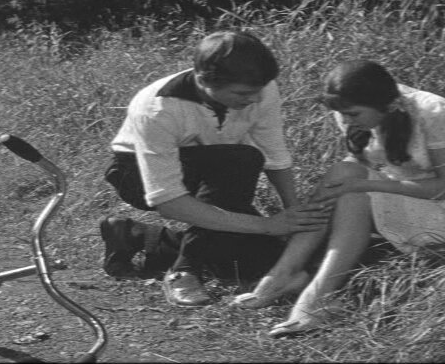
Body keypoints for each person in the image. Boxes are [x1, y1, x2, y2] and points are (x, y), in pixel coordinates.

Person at [231, 59, 445, 336]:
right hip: (405, 191)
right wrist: (353, 182)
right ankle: (285, 273)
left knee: (355, 192)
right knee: (342, 173)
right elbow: (361, 163)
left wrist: (364, 185)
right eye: (342, 114)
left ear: (388, 105)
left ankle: (316, 297)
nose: (346, 120)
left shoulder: (434, 112)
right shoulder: (349, 108)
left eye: (353, 114)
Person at [99, 30, 332, 307]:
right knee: (241, 160)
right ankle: (185, 270)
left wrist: (293, 216)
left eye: (259, 90)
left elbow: (274, 153)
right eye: (243, 93)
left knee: (263, 256)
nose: (256, 99)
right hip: (137, 173)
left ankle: (138, 236)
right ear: (203, 80)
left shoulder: (260, 88)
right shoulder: (157, 109)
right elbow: (169, 201)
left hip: (217, 174)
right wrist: (268, 225)